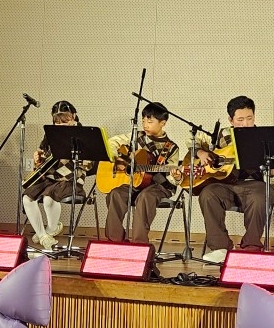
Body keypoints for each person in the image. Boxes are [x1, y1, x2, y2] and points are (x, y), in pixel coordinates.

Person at [191, 96, 274, 265]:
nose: (246, 123)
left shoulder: (264, 138)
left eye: (250, 118)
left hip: (255, 185)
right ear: (231, 120)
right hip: (226, 185)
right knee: (208, 193)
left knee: (261, 196)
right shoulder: (222, 134)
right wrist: (201, 153)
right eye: (240, 120)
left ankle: (251, 247)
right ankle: (220, 248)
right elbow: (194, 143)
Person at [103, 102, 178, 242]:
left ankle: (139, 243)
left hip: (158, 186)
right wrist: (117, 159)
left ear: (162, 123)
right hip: (135, 183)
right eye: (143, 121)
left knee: (145, 197)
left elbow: (173, 178)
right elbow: (111, 142)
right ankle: (115, 240)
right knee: (116, 194)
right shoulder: (136, 136)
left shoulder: (171, 147)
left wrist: (176, 176)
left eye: (150, 121)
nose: (145, 125)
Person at [21, 100, 88, 251]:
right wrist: (38, 158)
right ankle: (44, 236)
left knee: (48, 198)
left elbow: (90, 163)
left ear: (74, 116)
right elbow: (42, 153)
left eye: (65, 120)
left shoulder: (83, 134)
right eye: (57, 122)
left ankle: (50, 231)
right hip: (49, 177)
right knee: (27, 198)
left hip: (70, 179)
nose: (61, 125)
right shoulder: (50, 133)